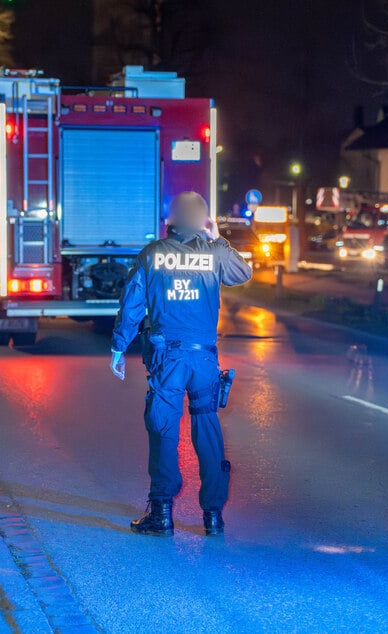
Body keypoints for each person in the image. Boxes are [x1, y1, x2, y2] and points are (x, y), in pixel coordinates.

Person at [109, 192, 252, 537]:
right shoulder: (215, 253)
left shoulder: (153, 254)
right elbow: (243, 273)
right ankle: (213, 517)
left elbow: (132, 305)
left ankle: (161, 515)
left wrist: (118, 347)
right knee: (208, 430)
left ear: (170, 220)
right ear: (201, 220)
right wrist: (218, 239)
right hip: (204, 359)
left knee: (163, 429)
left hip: (167, 359)